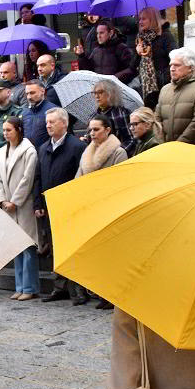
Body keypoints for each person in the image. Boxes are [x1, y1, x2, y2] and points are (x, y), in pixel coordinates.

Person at [75, 112, 128, 310]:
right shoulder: (87, 151)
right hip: (91, 207)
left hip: (109, 208)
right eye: (90, 130)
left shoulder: (117, 152)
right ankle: (101, 292)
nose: (92, 133)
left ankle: (113, 295)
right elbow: (78, 177)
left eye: (96, 129)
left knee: (111, 254)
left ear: (108, 130)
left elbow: (119, 182)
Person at [37, 108, 87, 306]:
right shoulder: (43, 148)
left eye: (52, 122)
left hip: (70, 206)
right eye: (47, 122)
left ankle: (78, 289)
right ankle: (60, 287)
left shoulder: (76, 147)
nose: (48, 125)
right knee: (55, 248)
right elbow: (38, 176)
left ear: (64, 124)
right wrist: (38, 201)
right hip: (49, 205)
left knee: (73, 248)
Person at [0, 117, 40, 302]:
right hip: (8, 206)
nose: (5, 134)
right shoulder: (0, 152)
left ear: (18, 130)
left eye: (9, 130)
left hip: (24, 205)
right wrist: (2, 200)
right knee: (16, 247)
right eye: (4, 130)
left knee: (27, 246)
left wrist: (15, 201)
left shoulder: (29, 151)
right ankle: (20, 285)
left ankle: (30, 287)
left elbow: (27, 179)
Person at [156, 47, 195, 146]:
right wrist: (163, 145)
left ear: (190, 67)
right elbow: (157, 119)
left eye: (177, 65)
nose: (172, 69)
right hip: (168, 151)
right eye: (171, 65)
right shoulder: (165, 89)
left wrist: (180, 144)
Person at [131, 8, 176, 109]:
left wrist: (163, 75)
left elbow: (174, 57)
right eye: (139, 19)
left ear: (152, 20)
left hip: (164, 85)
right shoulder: (140, 39)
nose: (140, 22)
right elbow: (132, 67)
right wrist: (138, 53)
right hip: (146, 89)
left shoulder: (165, 36)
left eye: (144, 19)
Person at [93, 78, 133, 147]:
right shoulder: (94, 116)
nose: (97, 96)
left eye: (100, 92)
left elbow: (130, 139)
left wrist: (117, 154)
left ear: (110, 93)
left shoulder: (122, 114)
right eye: (95, 93)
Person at [21, 78, 53, 148]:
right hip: (28, 154)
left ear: (43, 91)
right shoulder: (24, 112)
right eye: (27, 94)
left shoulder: (52, 111)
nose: (29, 97)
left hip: (46, 154)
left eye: (32, 93)